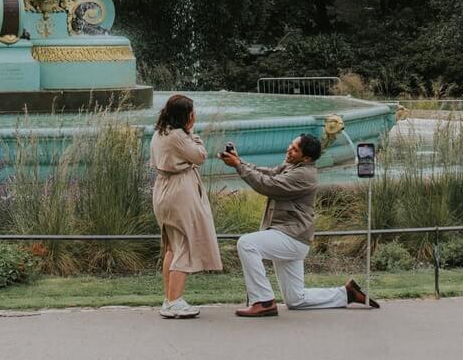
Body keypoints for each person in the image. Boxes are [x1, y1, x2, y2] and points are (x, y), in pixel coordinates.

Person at [221, 134, 377, 316]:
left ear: (307, 158)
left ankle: (263, 302)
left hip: (291, 237)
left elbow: (268, 185)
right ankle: (346, 294)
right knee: (296, 299)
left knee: (247, 244)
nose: (289, 149)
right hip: (289, 236)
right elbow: (268, 173)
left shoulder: (303, 175)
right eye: (291, 145)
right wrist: (240, 161)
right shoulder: (292, 166)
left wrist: (239, 167)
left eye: (295, 149)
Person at [150, 94, 221, 319]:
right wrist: (193, 135)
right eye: (192, 113)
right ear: (185, 116)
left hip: (163, 189)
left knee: (173, 246)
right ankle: (174, 302)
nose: (194, 116)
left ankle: (169, 298)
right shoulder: (179, 136)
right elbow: (199, 156)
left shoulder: (160, 133)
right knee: (185, 247)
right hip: (178, 192)